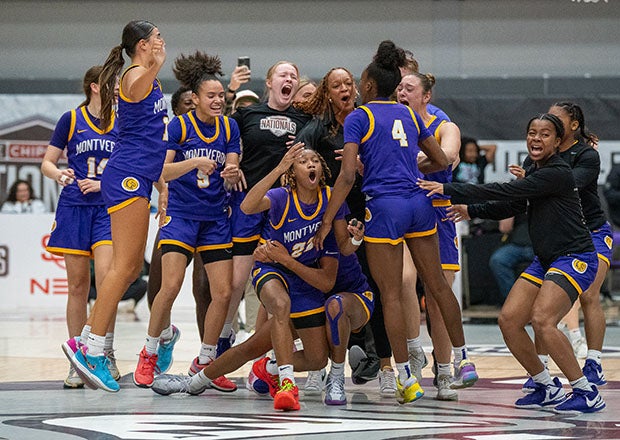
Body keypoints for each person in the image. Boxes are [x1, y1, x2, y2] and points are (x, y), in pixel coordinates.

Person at [316, 40, 477, 404]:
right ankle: (464, 360)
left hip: (384, 208)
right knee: (437, 285)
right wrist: (405, 168)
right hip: (419, 203)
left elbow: (344, 178)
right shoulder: (410, 115)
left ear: (370, 86)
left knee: (390, 294)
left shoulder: (360, 117)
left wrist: (327, 221)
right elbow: (440, 161)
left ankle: (406, 376)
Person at [151, 147, 373, 411]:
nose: (311, 164)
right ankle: (286, 384)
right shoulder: (281, 197)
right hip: (271, 269)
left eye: (315, 160)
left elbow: (332, 271)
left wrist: (355, 238)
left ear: (322, 170)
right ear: (292, 172)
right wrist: (279, 167)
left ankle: (201, 380)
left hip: (302, 277)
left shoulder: (330, 201)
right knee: (279, 305)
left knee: (313, 358)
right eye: (303, 161)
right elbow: (247, 206)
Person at [419, 113, 605, 414]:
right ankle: (545, 385)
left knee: (543, 321)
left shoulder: (556, 172)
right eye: (532, 132)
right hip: (546, 258)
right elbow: (515, 204)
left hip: (575, 256)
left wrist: (450, 189)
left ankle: (586, 391)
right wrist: (471, 210)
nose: (536, 138)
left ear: (558, 142)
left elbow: (507, 191)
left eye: (545, 134)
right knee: (508, 321)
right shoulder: (534, 169)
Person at [66, 20, 169, 393]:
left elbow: (152, 140)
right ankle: (90, 348)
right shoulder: (135, 75)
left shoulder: (149, 76)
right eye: (157, 36)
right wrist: (155, 62)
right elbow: (137, 88)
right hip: (126, 176)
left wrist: (162, 180)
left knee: (125, 269)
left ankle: (89, 345)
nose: (162, 40)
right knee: (124, 268)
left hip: (139, 175)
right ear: (142, 44)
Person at [132, 51, 241, 390]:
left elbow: (231, 168)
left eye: (221, 95)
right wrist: (193, 163)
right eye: (212, 96)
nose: (218, 101)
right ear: (195, 98)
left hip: (214, 219)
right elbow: (160, 170)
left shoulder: (229, 126)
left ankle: (206, 362)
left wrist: (232, 171)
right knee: (171, 286)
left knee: (222, 293)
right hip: (181, 215)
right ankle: (149, 353)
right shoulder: (179, 125)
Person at [294, 66, 384, 394]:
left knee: (367, 282)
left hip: (368, 214)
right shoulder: (317, 129)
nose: (345, 88)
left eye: (349, 83)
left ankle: (375, 360)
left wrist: (364, 165)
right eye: (337, 85)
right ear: (327, 93)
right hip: (328, 217)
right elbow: (299, 161)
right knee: (325, 287)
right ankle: (319, 365)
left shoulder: (368, 121)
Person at [520, 101, 611, 393]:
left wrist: (532, 182)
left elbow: (569, 184)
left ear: (571, 127)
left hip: (592, 234)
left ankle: (593, 361)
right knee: (541, 309)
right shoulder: (536, 157)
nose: (546, 124)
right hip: (558, 239)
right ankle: (542, 366)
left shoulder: (585, 154)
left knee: (588, 294)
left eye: (554, 120)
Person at [222, 61, 311, 358]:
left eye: (293, 76)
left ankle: (268, 354)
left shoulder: (305, 120)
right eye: (283, 74)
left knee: (275, 283)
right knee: (236, 281)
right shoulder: (247, 114)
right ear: (270, 82)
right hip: (249, 201)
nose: (289, 79)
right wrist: (232, 164)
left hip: (285, 208)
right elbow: (220, 133)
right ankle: (224, 336)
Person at [41, 65, 117, 389]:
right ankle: (76, 361)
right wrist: (58, 174)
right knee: (77, 287)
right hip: (74, 206)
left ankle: (103, 352)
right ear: (93, 87)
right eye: (110, 82)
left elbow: (132, 164)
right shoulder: (71, 119)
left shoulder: (122, 122)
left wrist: (104, 185)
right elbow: (47, 161)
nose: (116, 87)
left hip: (107, 207)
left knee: (108, 279)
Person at [396, 71, 464, 400]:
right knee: (404, 280)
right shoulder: (392, 122)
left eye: (408, 88)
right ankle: (412, 352)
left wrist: (400, 165)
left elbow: (447, 156)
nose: (401, 92)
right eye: (398, 88)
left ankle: (446, 371)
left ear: (426, 96)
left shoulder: (444, 125)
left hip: (438, 209)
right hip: (405, 207)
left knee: (438, 299)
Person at [488, 213, 535, 303]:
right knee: (498, 260)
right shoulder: (517, 201)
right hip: (517, 244)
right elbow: (504, 228)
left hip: (540, 245)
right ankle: (513, 301)